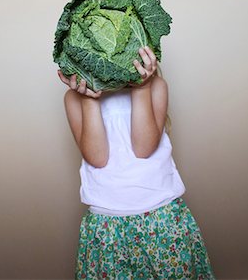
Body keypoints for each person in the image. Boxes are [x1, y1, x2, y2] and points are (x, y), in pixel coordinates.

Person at [58, 46, 216, 279]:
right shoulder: (74, 98)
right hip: (106, 228)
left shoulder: (157, 86)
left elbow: (144, 149)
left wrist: (141, 86)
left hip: (161, 221)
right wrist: (89, 98)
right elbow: (97, 158)